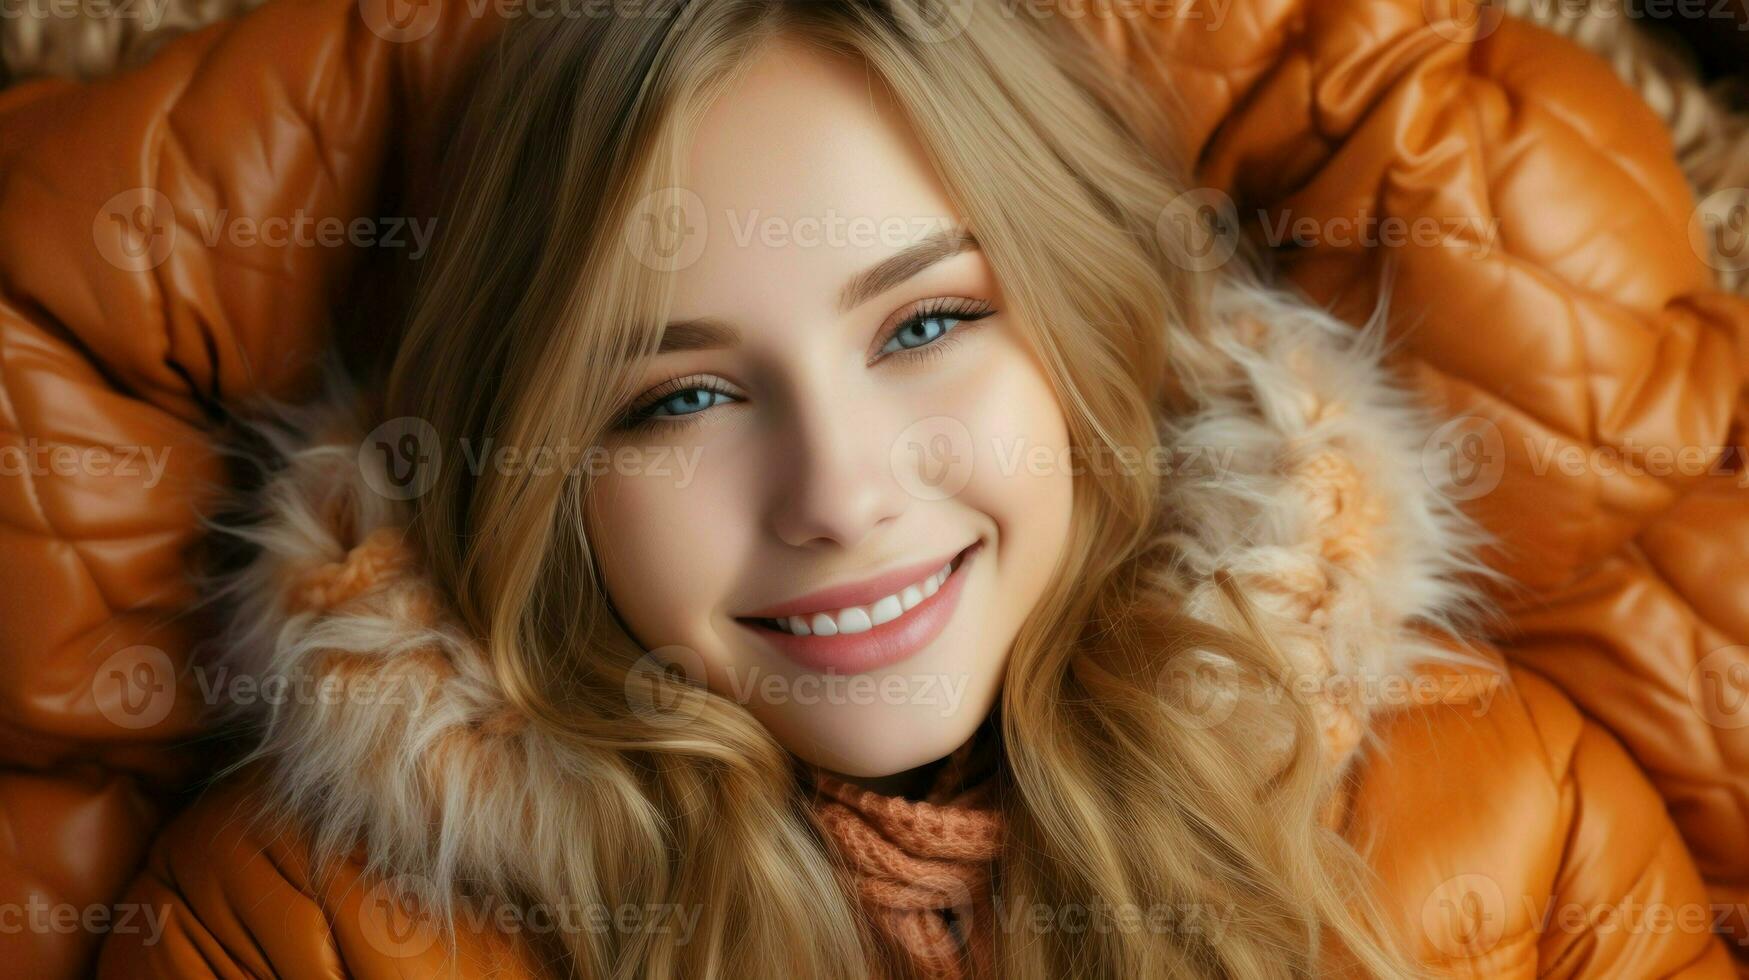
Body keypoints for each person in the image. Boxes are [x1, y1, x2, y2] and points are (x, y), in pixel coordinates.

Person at [85, 1, 1732, 977]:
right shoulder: (297, 928)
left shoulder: (1513, 814)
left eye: (930, 322)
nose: (840, 493)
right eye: (682, 394)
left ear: (1092, 336)